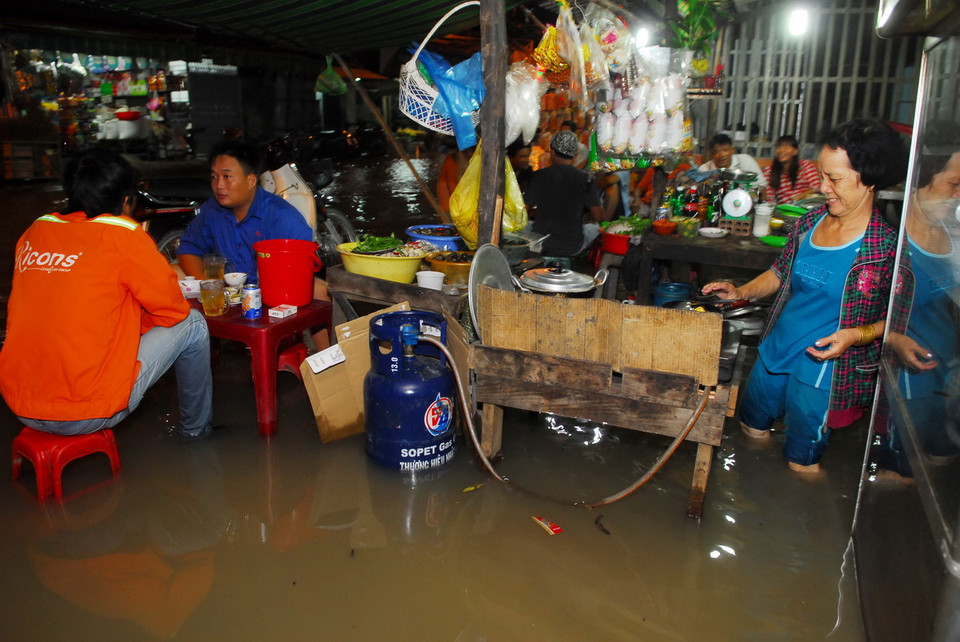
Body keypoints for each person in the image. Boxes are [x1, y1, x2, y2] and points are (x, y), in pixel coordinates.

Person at [702, 118, 908, 473]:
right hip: (777, 348)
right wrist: (740, 292)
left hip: (823, 369)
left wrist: (856, 335)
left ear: (870, 179)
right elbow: (780, 273)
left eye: (835, 179)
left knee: (801, 463)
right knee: (751, 431)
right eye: (822, 175)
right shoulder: (808, 224)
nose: (823, 187)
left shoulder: (885, 248)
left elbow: (899, 319)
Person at [0, 148, 215, 440]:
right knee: (193, 323)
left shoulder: (35, 230)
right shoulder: (122, 234)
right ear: (126, 200)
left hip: (20, 403)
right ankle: (196, 433)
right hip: (85, 411)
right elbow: (172, 311)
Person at [879, 143, 960, 480]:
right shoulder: (889, 235)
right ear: (921, 179)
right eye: (953, 184)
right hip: (906, 368)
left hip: (949, 366)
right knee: (901, 469)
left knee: (941, 456)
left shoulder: (954, 235)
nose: (958, 195)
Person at [177, 138, 314, 281]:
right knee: (175, 271)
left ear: (251, 181)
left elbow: (299, 270)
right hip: (227, 290)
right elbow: (188, 249)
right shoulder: (212, 210)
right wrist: (208, 285)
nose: (219, 185)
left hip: (273, 289)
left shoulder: (282, 218)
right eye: (214, 177)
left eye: (227, 177)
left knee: (318, 288)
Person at [525, 130, 606, 257]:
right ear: (575, 155)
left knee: (528, 225)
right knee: (595, 227)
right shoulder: (586, 179)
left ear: (552, 152)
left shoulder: (538, 175)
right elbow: (599, 217)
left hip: (540, 245)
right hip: (572, 246)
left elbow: (523, 212)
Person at [699, 133, 768, 194]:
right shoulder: (704, 170)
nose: (721, 155)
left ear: (732, 150)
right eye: (717, 152)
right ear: (711, 153)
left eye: (725, 150)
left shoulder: (746, 161)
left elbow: (762, 187)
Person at [764, 135, 821, 204]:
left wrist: (799, 197)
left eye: (786, 147)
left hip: (806, 205)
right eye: (779, 147)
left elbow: (817, 187)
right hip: (784, 208)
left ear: (795, 151)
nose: (781, 150)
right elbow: (769, 197)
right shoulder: (769, 171)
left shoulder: (805, 165)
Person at [436, 145, 476, 214]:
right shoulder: (451, 162)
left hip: (459, 205)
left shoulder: (465, 161)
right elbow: (452, 187)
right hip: (450, 206)